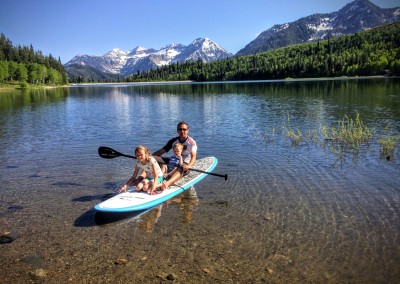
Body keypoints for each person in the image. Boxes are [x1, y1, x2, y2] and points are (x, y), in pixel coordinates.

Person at [153, 121, 197, 190]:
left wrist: (188, 166)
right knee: (153, 159)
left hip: (185, 161)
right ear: (177, 130)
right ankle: (147, 176)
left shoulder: (192, 142)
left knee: (181, 168)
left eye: (184, 129)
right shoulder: (173, 141)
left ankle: (167, 183)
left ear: (188, 130)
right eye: (180, 129)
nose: (182, 131)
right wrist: (149, 157)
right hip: (174, 158)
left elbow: (193, 157)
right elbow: (162, 151)